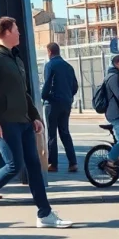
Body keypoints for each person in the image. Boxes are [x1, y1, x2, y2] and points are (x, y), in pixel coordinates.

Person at [0, 17, 72, 229]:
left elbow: (23, 93)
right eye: (16, 29)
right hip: (5, 122)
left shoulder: (16, 58)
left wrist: (34, 116)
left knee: (34, 166)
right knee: (13, 165)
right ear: (5, 32)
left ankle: (45, 214)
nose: (20, 33)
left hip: (23, 121)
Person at [41, 42, 79, 173]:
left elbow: (47, 83)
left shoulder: (50, 65)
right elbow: (75, 86)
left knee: (52, 134)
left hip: (52, 103)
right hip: (66, 103)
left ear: (49, 52)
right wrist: (68, 96)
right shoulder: (69, 66)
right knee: (65, 132)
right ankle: (73, 163)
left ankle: (53, 164)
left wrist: (44, 95)